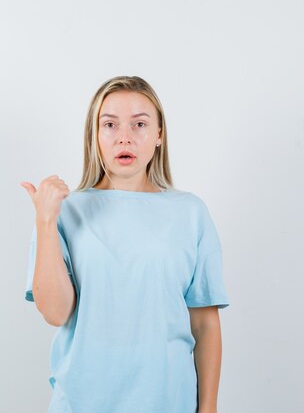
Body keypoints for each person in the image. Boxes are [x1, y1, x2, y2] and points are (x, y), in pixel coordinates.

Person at [20, 75, 230, 413]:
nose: (124, 138)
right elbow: (56, 313)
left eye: (140, 124)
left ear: (160, 134)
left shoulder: (190, 213)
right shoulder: (65, 211)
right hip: (83, 402)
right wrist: (45, 221)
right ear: (95, 135)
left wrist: (208, 409)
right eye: (110, 125)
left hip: (167, 402)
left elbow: (205, 324)